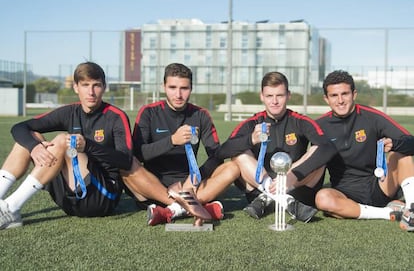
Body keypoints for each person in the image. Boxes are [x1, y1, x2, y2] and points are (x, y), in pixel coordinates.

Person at [0, 62, 133, 230]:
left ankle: (11, 207)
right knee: (31, 137)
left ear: (104, 87)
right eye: (85, 85)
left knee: (64, 140)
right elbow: (19, 128)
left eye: (96, 85)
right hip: (69, 197)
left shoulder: (116, 116)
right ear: (76, 87)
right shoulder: (70, 112)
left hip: (100, 197)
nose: (91, 92)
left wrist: (88, 146)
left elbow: (127, 160)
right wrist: (34, 147)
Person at [122, 63, 240, 226]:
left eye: (184, 88)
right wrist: (172, 141)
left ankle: (172, 210)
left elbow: (216, 155)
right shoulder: (148, 112)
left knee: (233, 168)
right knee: (125, 165)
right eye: (172, 87)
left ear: (191, 88)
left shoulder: (200, 115)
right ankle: (192, 205)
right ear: (163, 86)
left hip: (191, 187)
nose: (178, 94)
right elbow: (138, 154)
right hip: (154, 187)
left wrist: (194, 179)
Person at [215, 71, 337, 221]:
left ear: (288, 95)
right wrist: (251, 139)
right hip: (258, 192)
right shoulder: (252, 123)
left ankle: (274, 196)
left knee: (319, 152)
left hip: (295, 189)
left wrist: (291, 176)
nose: (274, 101)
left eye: (279, 95)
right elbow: (222, 151)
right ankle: (279, 197)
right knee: (238, 153)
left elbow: (328, 147)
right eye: (269, 96)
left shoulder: (300, 121)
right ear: (262, 96)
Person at [315, 70, 414, 231]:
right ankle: (386, 213)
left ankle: (412, 210)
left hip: (378, 186)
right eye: (334, 95)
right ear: (326, 99)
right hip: (344, 193)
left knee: (400, 153)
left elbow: (410, 141)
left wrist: (394, 144)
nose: (340, 100)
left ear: (354, 94)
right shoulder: (319, 125)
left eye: (345, 94)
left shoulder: (372, 117)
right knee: (323, 199)